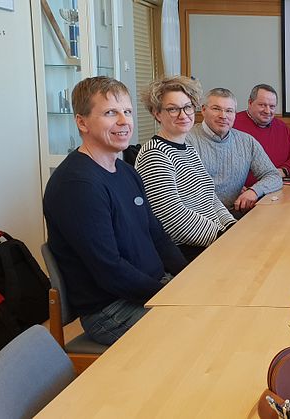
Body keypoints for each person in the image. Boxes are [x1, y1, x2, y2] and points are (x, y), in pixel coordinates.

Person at [43, 76, 188, 345]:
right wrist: (168, 295)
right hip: (111, 310)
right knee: (203, 329)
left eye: (128, 112)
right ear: (82, 122)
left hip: (149, 288)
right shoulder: (77, 184)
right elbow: (109, 269)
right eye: (111, 113)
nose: (124, 121)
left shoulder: (126, 171)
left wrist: (188, 277)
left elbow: (156, 234)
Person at [135, 76, 236, 262]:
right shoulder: (154, 154)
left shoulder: (188, 148)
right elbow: (172, 217)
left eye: (187, 107)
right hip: (187, 252)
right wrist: (223, 237)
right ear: (157, 113)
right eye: (173, 109)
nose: (183, 115)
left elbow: (209, 197)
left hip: (211, 242)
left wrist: (232, 227)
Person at [187, 88, 282, 219]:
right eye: (216, 109)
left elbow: (273, 175)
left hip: (235, 213)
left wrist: (254, 191)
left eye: (229, 111)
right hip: (200, 218)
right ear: (203, 110)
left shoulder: (246, 141)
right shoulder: (187, 140)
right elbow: (190, 195)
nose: (223, 116)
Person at [233, 84, 290, 184]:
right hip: (244, 193)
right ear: (250, 103)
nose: (267, 111)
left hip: (276, 188)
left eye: (272, 107)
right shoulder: (232, 124)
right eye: (262, 105)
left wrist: (283, 171)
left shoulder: (282, 128)